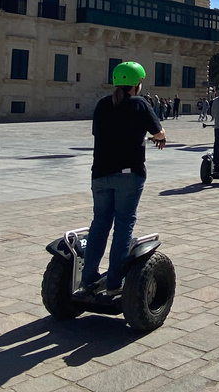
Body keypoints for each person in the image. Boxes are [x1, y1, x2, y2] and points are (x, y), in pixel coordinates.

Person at [81, 61, 166, 297]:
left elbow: (101, 134)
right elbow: (157, 132)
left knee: (99, 224)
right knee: (123, 224)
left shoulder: (103, 104)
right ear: (138, 83)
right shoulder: (139, 103)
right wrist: (161, 137)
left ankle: (88, 279)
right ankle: (114, 282)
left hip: (100, 174)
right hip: (129, 174)